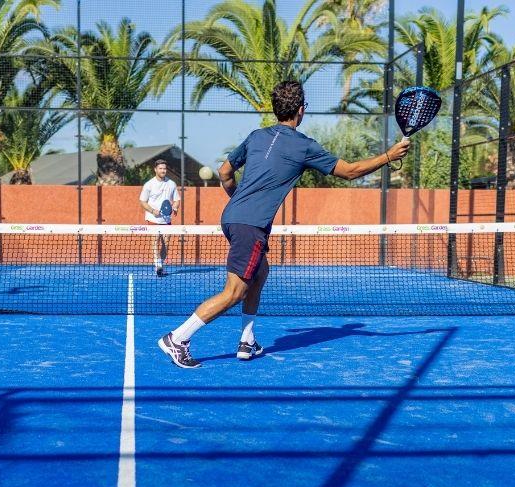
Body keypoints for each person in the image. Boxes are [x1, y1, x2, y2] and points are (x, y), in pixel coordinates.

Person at [158, 80, 410, 368]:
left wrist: (238, 199)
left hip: (232, 218)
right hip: (250, 225)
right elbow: (350, 172)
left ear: (277, 109)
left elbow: (224, 171)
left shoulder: (256, 137)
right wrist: (389, 156)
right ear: (300, 111)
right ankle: (178, 338)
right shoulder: (303, 146)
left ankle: (247, 340)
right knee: (234, 291)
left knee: (260, 271)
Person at [139, 158, 180, 276]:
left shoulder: (171, 184)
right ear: (155, 169)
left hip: (166, 220)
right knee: (154, 242)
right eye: (160, 168)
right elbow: (142, 201)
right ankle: (158, 265)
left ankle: (160, 265)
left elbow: (176, 200)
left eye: (164, 168)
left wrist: (176, 207)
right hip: (153, 218)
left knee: (166, 244)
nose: (163, 170)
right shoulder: (149, 185)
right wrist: (152, 210)